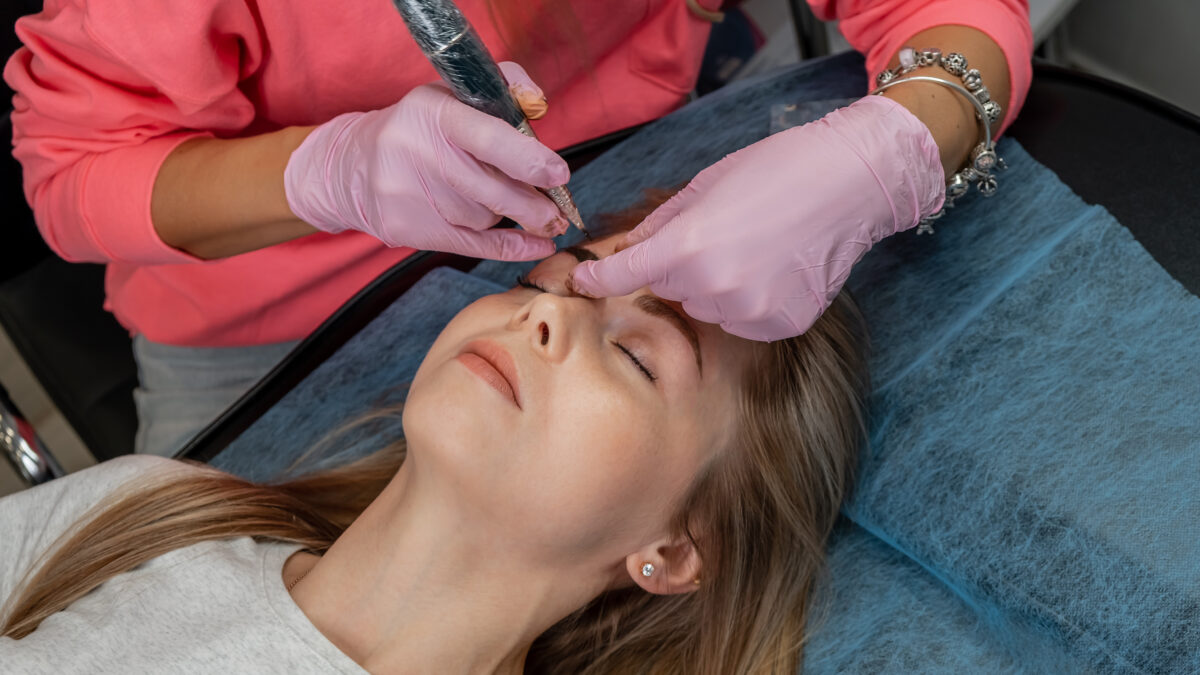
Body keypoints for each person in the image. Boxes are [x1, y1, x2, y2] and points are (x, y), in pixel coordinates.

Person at [4, 0, 1032, 456]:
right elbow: (72, 177)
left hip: (599, 205)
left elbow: (946, 11)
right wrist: (320, 172)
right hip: (261, 322)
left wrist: (899, 144)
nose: (533, 327)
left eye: (638, 362)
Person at [0, 226, 870, 674]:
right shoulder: (149, 509)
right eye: (547, 280)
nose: (549, 313)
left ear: (676, 548)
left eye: (640, 356)